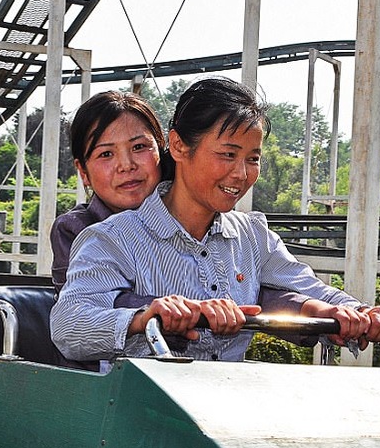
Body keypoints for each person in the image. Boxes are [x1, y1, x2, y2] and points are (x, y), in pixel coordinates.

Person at [51, 77, 380, 366]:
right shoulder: (107, 239)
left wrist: (360, 312)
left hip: (226, 411)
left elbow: (306, 287)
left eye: (252, 159)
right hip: (144, 415)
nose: (240, 174)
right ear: (177, 147)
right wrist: (145, 316)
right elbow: (68, 325)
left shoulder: (252, 236)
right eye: (227, 155)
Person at [50, 90, 309, 315]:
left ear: (166, 149)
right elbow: (92, 307)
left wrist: (308, 307)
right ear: (83, 172)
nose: (126, 165)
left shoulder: (204, 220)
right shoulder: (79, 230)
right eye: (106, 154)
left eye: (139, 147)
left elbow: (252, 291)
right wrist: (191, 310)